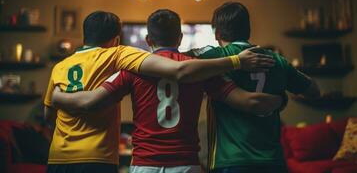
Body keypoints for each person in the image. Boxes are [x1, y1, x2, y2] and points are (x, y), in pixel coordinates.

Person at [51, 9, 285, 173]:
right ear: (181, 38)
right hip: (185, 163)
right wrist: (280, 99)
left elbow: (92, 101)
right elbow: (247, 101)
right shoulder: (201, 70)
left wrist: (58, 97)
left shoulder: (132, 69)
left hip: (144, 164)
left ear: (147, 39)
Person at [187, 2, 321, 173]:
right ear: (248, 30)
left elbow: (175, 59)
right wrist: (282, 95)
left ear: (217, 34)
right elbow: (314, 91)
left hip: (232, 160)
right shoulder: (277, 60)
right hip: (273, 161)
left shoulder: (215, 56)